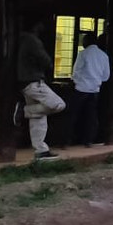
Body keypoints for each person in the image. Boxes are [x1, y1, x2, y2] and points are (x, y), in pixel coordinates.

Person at [17, 19, 66, 160]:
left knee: (38, 117)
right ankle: (23, 110)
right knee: (58, 104)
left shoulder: (19, 38)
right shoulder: (32, 40)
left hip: (24, 82)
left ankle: (41, 150)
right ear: (37, 25)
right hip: (34, 81)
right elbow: (46, 60)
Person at [70, 31, 110, 147]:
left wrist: (76, 82)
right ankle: (88, 140)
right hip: (95, 89)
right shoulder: (103, 56)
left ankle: (67, 139)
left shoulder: (83, 54)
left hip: (81, 88)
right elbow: (106, 76)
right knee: (91, 116)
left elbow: (76, 71)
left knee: (74, 114)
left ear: (87, 41)